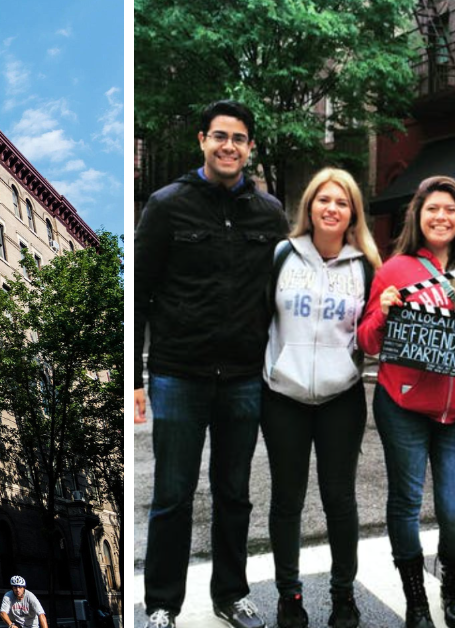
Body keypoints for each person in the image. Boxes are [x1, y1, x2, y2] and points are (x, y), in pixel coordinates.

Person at [134, 100, 288, 628]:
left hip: (245, 378)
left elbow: (283, 297)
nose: (228, 145)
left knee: (234, 494)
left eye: (238, 138)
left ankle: (231, 595)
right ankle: (161, 605)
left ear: (248, 148)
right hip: (178, 373)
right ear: (202, 140)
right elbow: (140, 294)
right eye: (219, 136)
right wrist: (134, 378)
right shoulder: (166, 205)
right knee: (172, 496)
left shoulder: (270, 215)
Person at [358, 176, 455, 628]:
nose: (441, 217)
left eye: (450, 209)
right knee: (406, 502)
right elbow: (368, 341)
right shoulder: (395, 269)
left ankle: (451, 587)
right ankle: (415, 599)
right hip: (403, 404)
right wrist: (384, 310)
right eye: (433, 209)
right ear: (418, 215)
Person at [260, 168, 381, 628]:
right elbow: (258, 319)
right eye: (324, 199)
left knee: (340, 501)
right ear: (309, 206)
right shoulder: (281, 256)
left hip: (341, 399)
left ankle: (343, 597)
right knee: (286, 502)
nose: (332, 208)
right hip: (282, 397)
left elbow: (371, 337)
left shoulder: (365, 266)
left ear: (353, 213)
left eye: (342, 202)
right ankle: (289, 595)